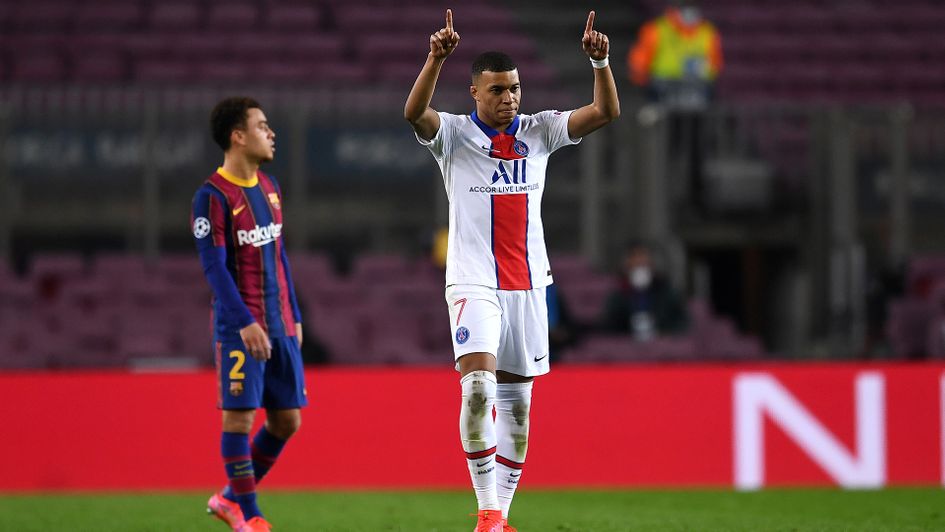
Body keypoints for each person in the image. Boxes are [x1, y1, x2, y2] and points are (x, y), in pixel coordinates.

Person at [405, 10, 619, 532]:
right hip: (473, 281)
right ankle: (486, 510)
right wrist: (435, 59)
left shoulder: (540, 130)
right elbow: (415, 113)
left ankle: (500, 516)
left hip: (529, 284)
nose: (510, 98)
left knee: (517, 409)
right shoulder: (454, 135)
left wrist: (600, 62)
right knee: (478, 388)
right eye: (498, 90)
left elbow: (605, 112)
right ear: (475, 92)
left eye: (515, 88)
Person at [191, 97, 307, 532]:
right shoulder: (212, 197)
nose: (271, 133)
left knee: (287, 421)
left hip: (280, 324)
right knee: (239, 419)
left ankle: (227, 498)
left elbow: (280, 257)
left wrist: (294, 314)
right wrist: (244, 322)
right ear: (237, 136)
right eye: (261, 126)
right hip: (240, 328)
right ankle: (251, 515)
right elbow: (214, 269)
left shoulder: (270, 187)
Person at [628, 0, 723, 108]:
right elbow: (638, 65)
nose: (690, 11)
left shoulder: (708, 32)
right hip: (662, 90)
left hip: (697, 90)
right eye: (685, 5)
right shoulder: (656, 29)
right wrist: (642, 83)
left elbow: (715, 65)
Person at [602, 242, 689, 340]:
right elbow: (609, 327)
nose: (639, 262)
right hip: (628, 345)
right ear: (626, 265)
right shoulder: (617, 296)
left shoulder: (667, 292)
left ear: (652, 263)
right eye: (635, 259)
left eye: (643, 258)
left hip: (662, 344)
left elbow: (682, 323)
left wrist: (664, 335)